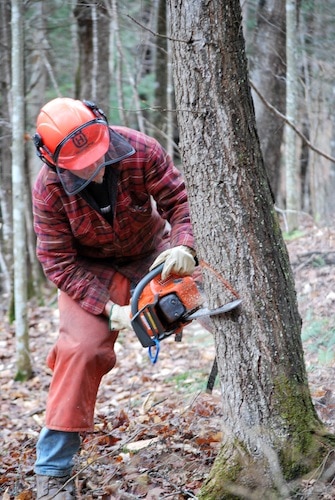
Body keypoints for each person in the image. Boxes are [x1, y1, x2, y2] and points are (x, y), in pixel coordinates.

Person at [31, 97, 197, 499]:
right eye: (80, 163)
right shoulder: (49, 191)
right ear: (53, 159)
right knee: (81, 352)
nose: (93, 166)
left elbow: (181, 202)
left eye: (97, 155)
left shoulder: (140, 150)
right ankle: (52, 472)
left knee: (204, 300)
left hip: (151, 255)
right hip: (90, 272)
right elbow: (57, 262)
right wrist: (110, 310)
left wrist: (185, 247)